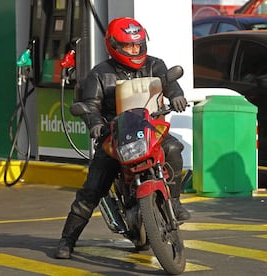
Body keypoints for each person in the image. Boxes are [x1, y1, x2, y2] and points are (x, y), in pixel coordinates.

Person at [54, 17, 190, 259]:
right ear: (114, 46)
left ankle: (176, 202)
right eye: (128, 46)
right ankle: (67, 241)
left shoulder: (155, 65)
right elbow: (90, 105)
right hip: (114, 136)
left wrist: (176, 96)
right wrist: (95, 123)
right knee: (92, 190)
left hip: (150, 130)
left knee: (173, 149)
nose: (135, 50)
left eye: (137, 45)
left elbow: (170, 84)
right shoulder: (99, 74)